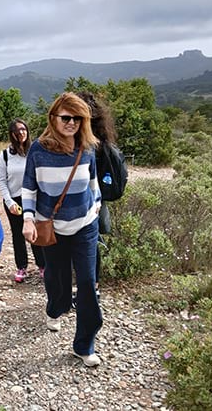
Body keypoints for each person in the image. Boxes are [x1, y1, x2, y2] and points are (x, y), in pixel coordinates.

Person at [21, 92, 103, 367]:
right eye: (66, 118)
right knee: (58, 281)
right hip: (52, 228)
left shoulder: (87, 148)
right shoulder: (38, 149)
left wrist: (97, 206)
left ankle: (84, 344)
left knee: (88, 284)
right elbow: (29, 187)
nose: (72, 124)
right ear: (53, 118)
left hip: (84, 227)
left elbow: (93, 184)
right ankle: (55, 309)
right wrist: (28, 219)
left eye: (78, 119)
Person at [77, 91, 119, 297]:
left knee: (88, 245)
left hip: (90, 202)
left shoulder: (90, 143)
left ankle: (89, 288)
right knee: (90, 245)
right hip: (94, 202)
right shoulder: (100, 138)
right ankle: (92, 288)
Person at [0, 118, 45, 282]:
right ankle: (21, 267)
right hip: (14, 200)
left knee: (36, 233)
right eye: (17, 131)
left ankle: (43, 266)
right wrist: (9, 202)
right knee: (18, 234)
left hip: (33, 197)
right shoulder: (5, 155)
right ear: (12, 134)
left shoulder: (35, 152)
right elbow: (2, 181)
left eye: (24, 129)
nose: (21, 133)